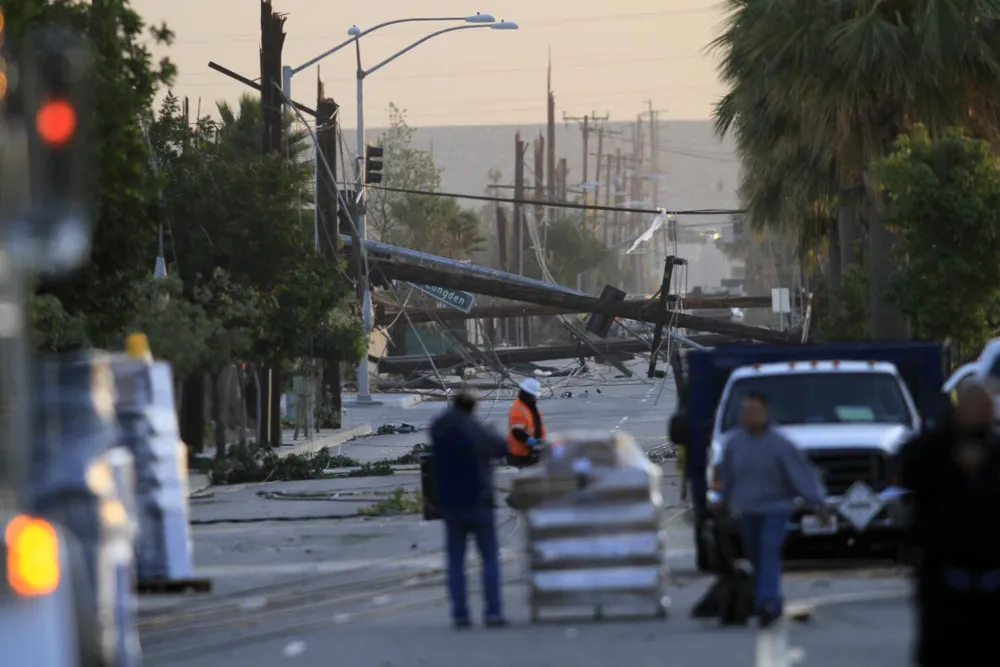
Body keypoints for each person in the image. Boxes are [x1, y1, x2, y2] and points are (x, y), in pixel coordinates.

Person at [899, 381, 1000, 666]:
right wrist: (953, 466)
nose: (981, 413)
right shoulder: (932, 448)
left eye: (986, 408)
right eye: (974, 407)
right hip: (944, 577)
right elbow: (911, 474)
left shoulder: (995, 451)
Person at [718, 391, 828, 627]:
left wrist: (818, 503)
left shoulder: (780, 444)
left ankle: (765, 602)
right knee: (755, 556)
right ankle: (773, 601)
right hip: (747, 511)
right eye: (746, 412)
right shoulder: (733, 444)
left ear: (766, 414)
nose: (750, 416)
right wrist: (722, 504)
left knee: (768, 551)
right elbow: (727, 479)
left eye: (755, 411)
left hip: (775, 509)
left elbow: (802, 476)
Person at [429, 391, 509, 629]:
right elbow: (502, 447)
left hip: (451, 503)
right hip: (479, 500)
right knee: (489, 559)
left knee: (455, 560)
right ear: (472, 408)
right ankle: (493, 611)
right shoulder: (476, 430)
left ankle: (460, 612)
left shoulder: (439, 428)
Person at [507, 378, 545, 468]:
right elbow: (517, 432)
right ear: (527, 394)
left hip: (531, 452)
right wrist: (530, 441)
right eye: (533, 395)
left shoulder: (529, 406)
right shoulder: (517, 408)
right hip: (520, 455)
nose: (535, 398)